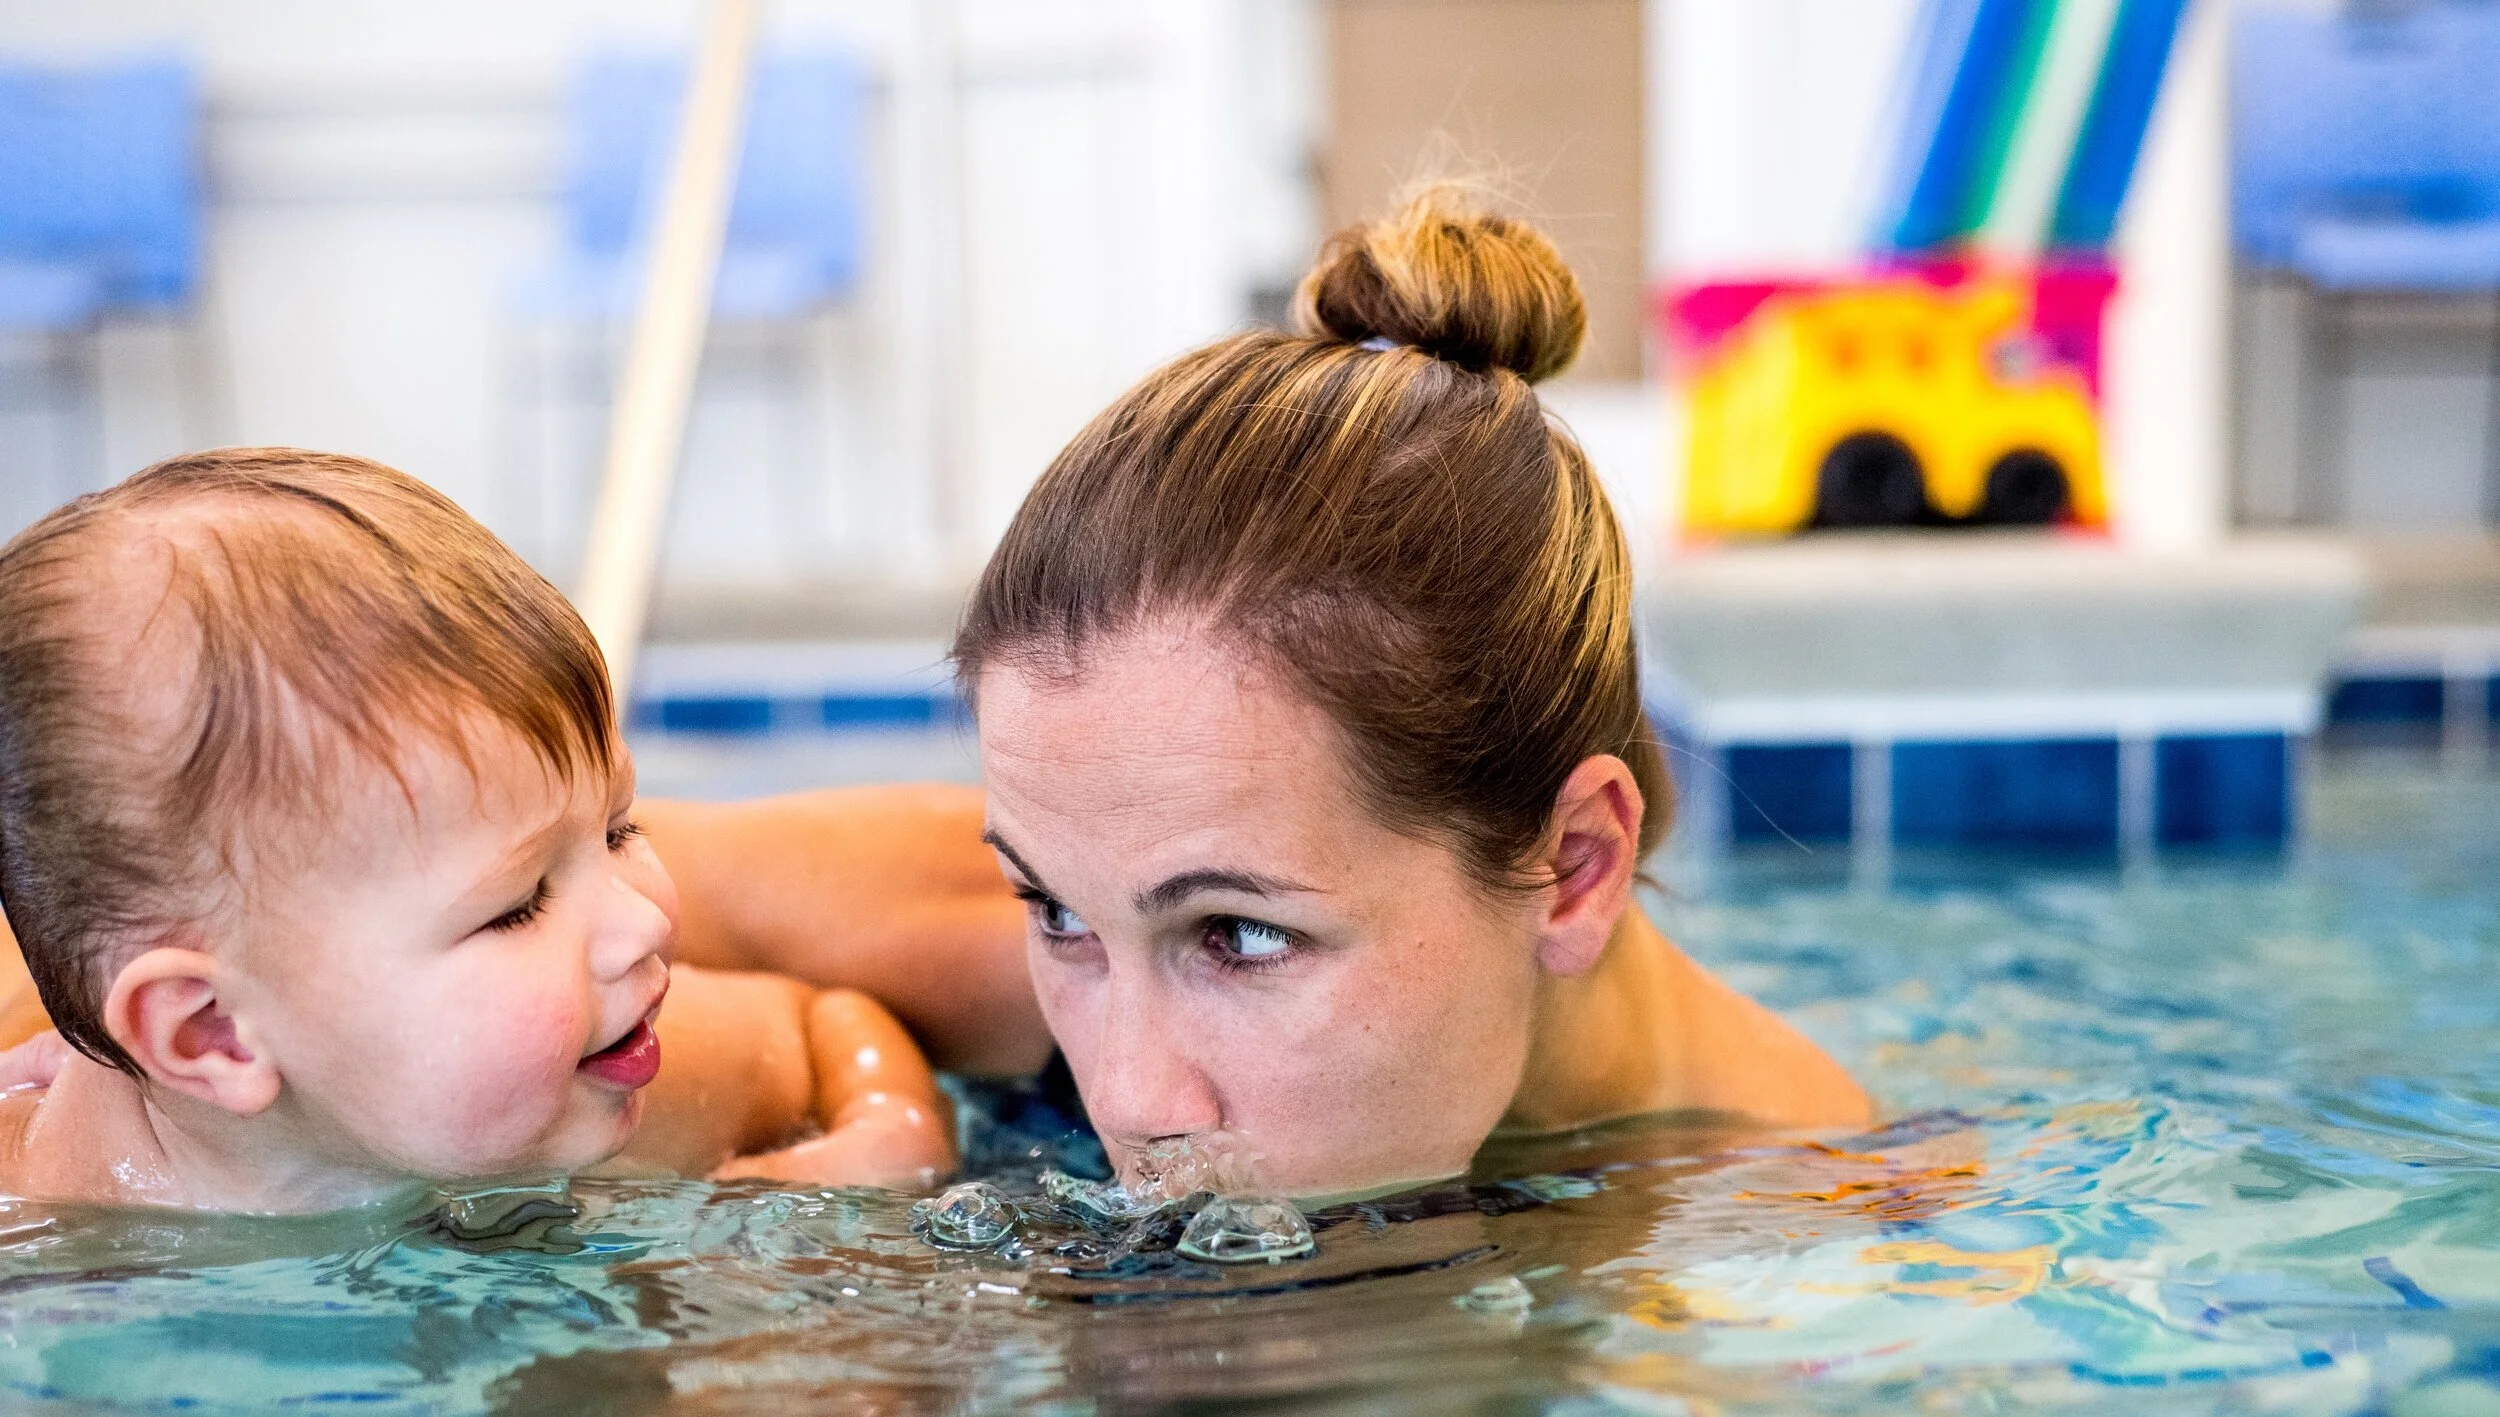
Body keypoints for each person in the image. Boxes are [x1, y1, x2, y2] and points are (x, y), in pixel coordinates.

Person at [627, 185, 1870, 1202]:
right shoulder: (1078, 887)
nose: (1123, 1096)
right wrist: (866, 1086)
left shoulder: (1817, 1239)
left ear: (1576, 867)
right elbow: (483, 917)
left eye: (1241, 936)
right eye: (1050, 909)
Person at [0, 449, 955, 1212]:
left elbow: (822, 1018)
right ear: (214, 1032)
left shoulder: (609, 1082)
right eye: (516, 906)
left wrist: (889, 1128)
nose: (648, 921)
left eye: (621, 829)